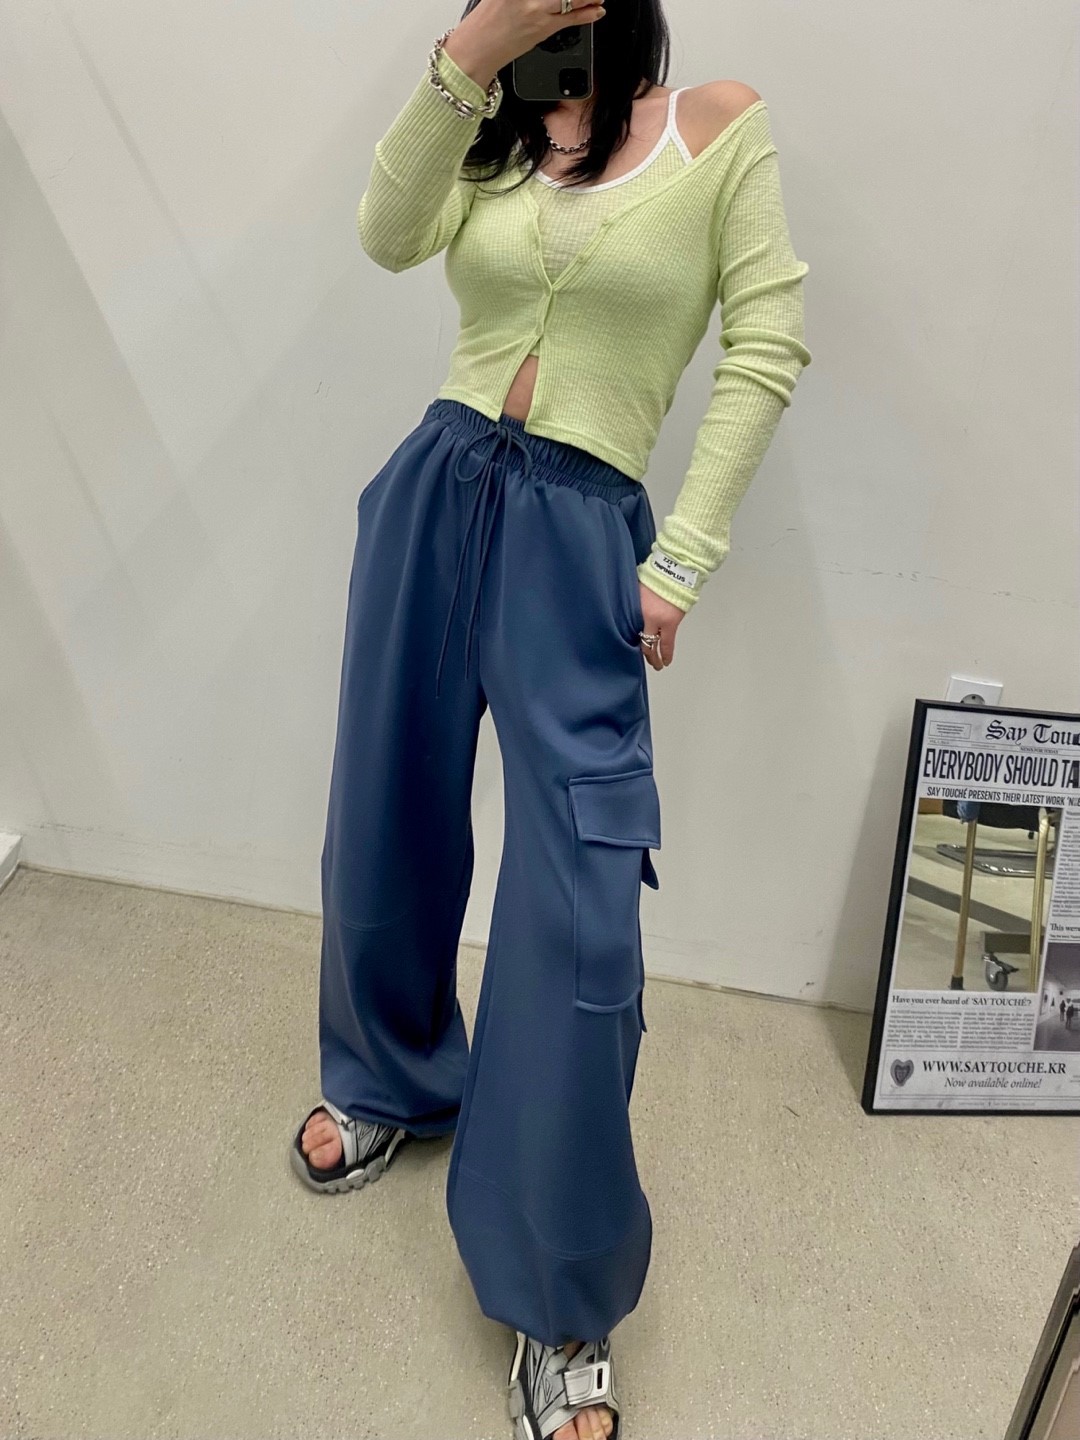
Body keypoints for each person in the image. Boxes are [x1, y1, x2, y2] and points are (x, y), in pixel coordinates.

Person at [290, 2, 811, 1436]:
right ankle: (392, 1074)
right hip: (438, 484)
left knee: (583, 909)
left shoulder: (715, 126)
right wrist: (468, 59)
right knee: (386, 813)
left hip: (586, 530)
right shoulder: (493, 123)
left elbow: (767, 341)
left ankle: (559, 1289)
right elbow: (385, 235)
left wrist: (680, 560)